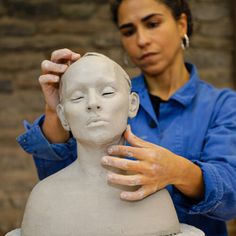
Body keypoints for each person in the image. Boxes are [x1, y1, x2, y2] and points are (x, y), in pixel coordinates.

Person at [17, 0, 236, 235]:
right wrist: (55, 110)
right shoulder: (104, 101)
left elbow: (231, 198)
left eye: (152, 24)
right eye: (128, 31)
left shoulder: (222, 105)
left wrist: (179, 171)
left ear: (181, 24)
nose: (141, 40)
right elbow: (60, 190)